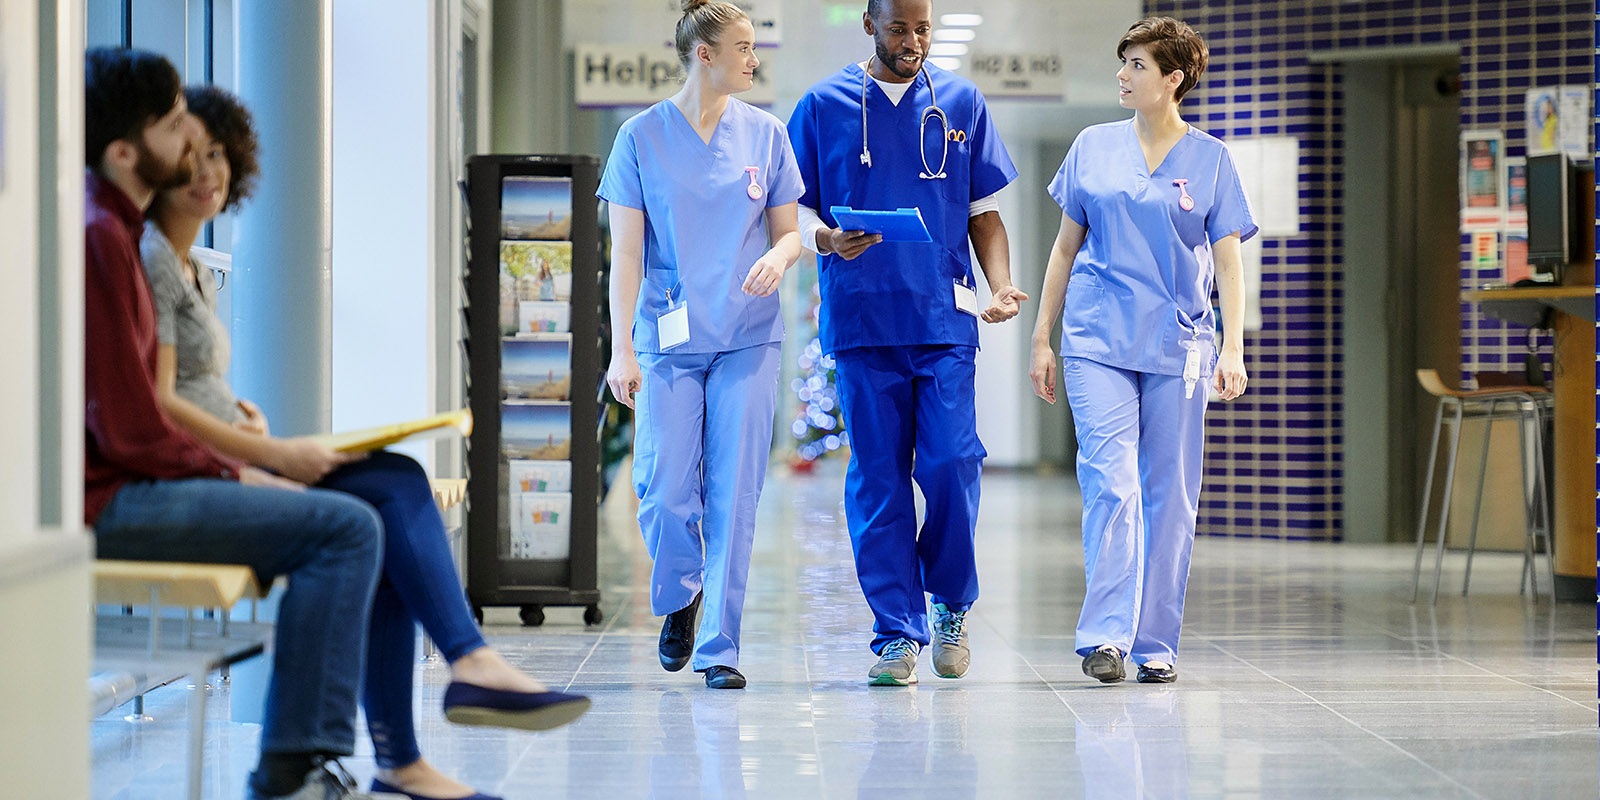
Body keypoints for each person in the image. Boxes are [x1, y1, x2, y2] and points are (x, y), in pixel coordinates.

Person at [140, 85, 590, 800]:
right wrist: (265, 452)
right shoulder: (155, 257)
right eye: (191, 156)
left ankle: (410, 754)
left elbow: (181, 383)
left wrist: (241, 413)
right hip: (207, 478)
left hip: (230, 458)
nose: (208, 172)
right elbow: (153, 401)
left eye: (220, 154)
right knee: (386, 496)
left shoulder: (190, 266)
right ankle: (455, 685)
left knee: (397, 482)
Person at [83, 47, 391, 800]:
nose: (193, 137)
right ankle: (295, 765)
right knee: (347, 529)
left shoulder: (113, 232)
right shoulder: (104, 239)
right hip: (111, 501)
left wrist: (248, 461)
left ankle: (308, 758)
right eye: (175, 123)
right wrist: (245, 468)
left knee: (366, 509)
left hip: (129, 483)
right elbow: (131, 427)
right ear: (126, 152)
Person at [786, 0, 1027, 686]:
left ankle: (950, 603)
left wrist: (1001, 284)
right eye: (899, 29)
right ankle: (896, 631)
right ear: (869, 26)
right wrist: (827, 239)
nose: (914, 41)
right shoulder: (824, 103)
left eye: (923, 29)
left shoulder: (960, 101)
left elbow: (985, 214)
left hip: (944, 319)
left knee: (952, 462)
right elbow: (794, 210)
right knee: (879, 480)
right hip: (862, 321)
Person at [1027, 17, 1256, 686]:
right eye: (1123, 62)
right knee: (1112, 484)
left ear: (1173, 79)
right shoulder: (1093, 147)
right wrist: (1042, 336)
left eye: (1137, 66)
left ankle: (1156, 640)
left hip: (1178, 344)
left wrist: (1233, 347)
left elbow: (1229, 264)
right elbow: (1064, 248)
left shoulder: (1210, 160)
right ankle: (1105, 637)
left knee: (1170, 494)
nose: (1123, 76)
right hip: (1096, 339)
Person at [599, 0, 803, 690]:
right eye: (743, 47)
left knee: (735, 491)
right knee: (661, 488)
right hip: (668, 334)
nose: (754, 59)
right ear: (704, 55)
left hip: (749, 334)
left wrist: (781, 256)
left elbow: (789, 230)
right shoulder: (639, 138)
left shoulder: (767, 135)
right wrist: (622, 348)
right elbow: (624, 254)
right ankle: (680, 592)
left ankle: (720, 647)